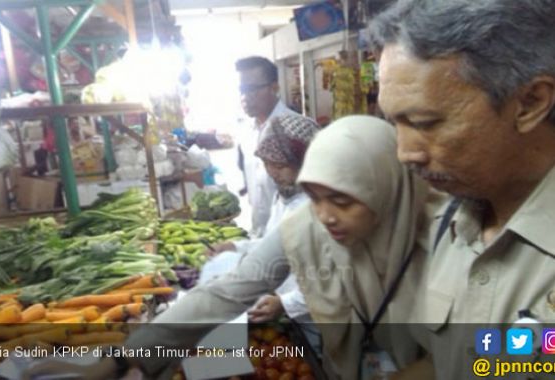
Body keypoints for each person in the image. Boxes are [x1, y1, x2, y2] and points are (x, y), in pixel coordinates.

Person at [24, 116, 429, 380]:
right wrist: (120, 360)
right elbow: (227, 291)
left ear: (387, 190)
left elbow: (486, 355)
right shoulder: (306, 227)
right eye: (315, 197)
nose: (324, 216)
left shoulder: (448, 242)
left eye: (342, 201)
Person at [367, 0, 555, 378]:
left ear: (530, 103)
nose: (405, 154)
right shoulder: (451, 222)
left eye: (424, 122)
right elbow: (442, 362)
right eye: (395, 123)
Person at [200, 114, 320, 323]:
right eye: (266, 163)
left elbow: (331, 283)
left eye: (280, 166)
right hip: (284, 307)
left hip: (314, 317)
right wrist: (236, 247)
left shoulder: (320, 207)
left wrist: (287, 303)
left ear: (305, 162)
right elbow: (274, 243)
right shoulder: (285, 194)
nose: (272, 172)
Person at [235, 56, 300, 237]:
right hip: (259, 234)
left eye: (252, 89)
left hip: (291, 237)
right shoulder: (246, 133)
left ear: (274, 88)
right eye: (242, 89)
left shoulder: (296, 129)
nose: (245, 97)